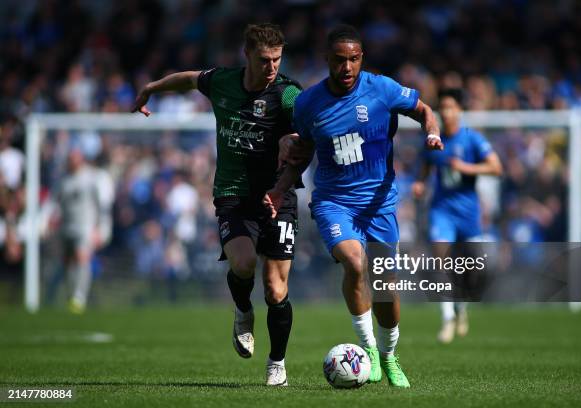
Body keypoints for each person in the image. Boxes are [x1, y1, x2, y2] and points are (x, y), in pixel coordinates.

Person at [264, 24, 443, 388]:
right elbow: (303, 152)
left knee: (385, 285)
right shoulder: (308, 103)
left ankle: (390, 356)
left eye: (354, 60)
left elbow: (425, 110)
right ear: (328, 59)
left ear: (362, 59)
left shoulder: (382, 89)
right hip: (334, 202)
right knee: (354, 261)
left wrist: (432, 131)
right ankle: (369, 350)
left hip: (379, 204)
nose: (347, 67)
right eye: (340, 60)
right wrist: (281, 188)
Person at [131, 23, 302, 386]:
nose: (272, 67)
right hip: (233, 194)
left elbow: (303, 117)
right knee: (242, 264)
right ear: (247, 56)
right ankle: (242, 310)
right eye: (264, 59)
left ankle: (277, 362)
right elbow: (190, 79)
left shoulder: (287, 93)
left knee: (275, 289)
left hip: (278, 196)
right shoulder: (222, 81)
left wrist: (294, 138)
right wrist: (151, 88)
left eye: (277, 59)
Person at [412, 88, 503, 344]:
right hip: (442, 210)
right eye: (443, 108)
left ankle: (462, 305)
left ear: (460, 110)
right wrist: (420, 183)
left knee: (475, 265)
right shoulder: (432, 140)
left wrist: (466, 167)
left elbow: (496, 167)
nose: (447, 113)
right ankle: (447, 317)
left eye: (451, 107)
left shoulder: (472, 140)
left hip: (469, 214)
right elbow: (425, 169)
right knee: (440, 258)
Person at [55, 147, 104, 314]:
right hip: (67, 226)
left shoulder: (90, 179)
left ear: (81, 159)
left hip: (85, 226)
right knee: (68, 262)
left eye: (75, 158)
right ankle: (71, 295)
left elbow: (100, 205)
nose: (72, 162)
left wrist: (98, 227)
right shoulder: (64, 180)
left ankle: (79, 297)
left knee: (82, 258)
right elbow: (58, 202)